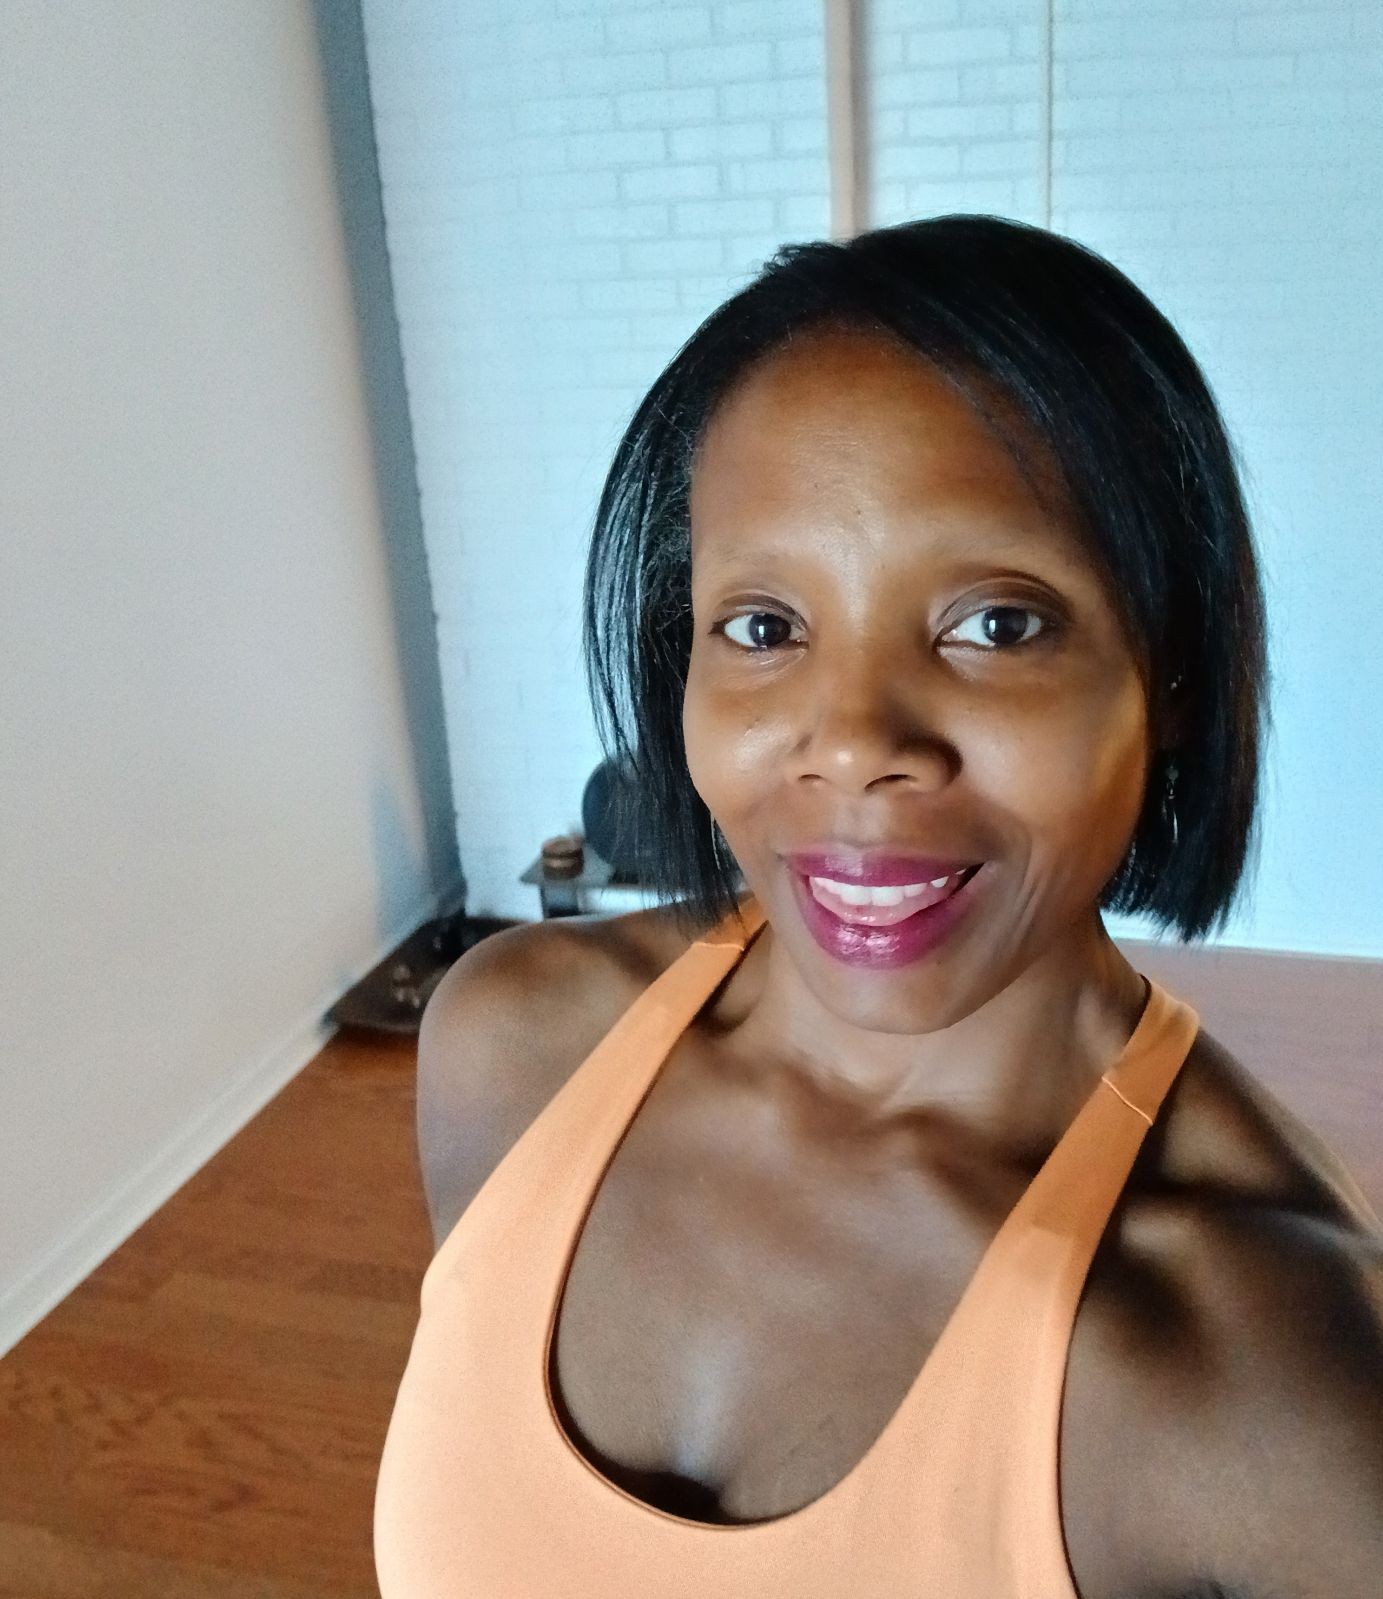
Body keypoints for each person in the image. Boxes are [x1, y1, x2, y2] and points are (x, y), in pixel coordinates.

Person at [374, 217, 1382, 1599]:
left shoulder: (1265, 1375)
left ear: (1174, 680)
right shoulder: (513, 1048)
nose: (850, 742)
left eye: (998, 624)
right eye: (765, 626)